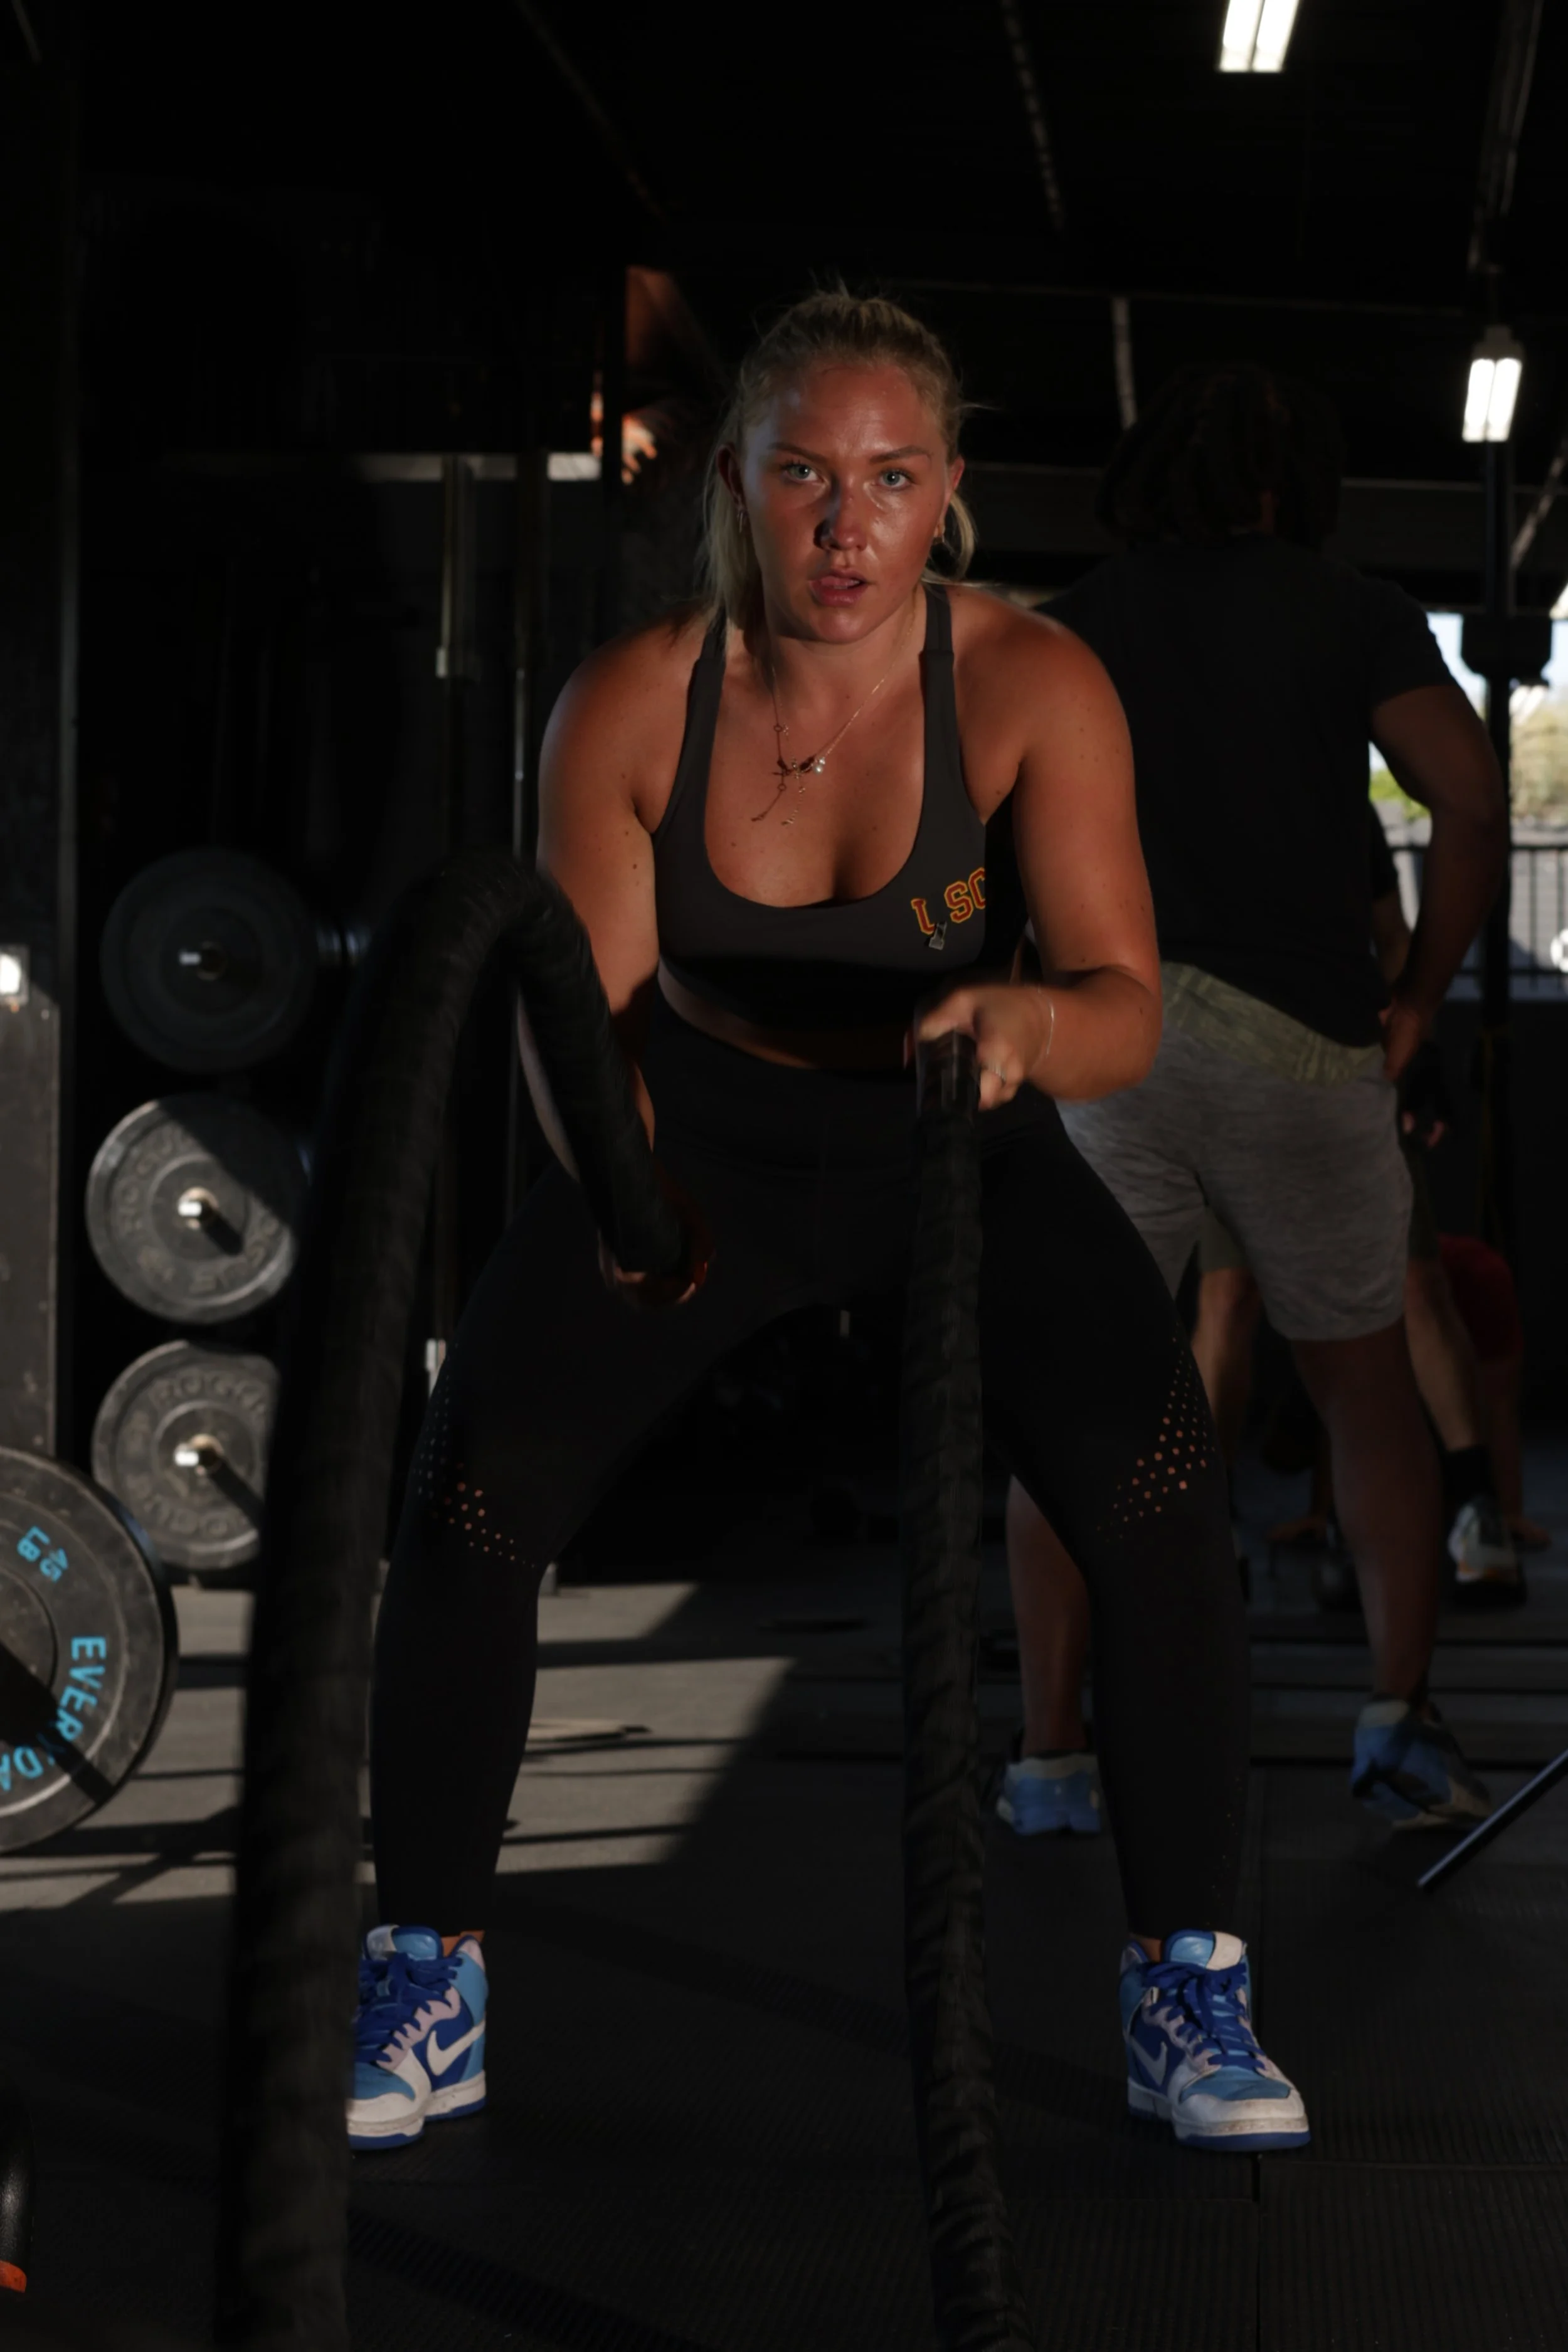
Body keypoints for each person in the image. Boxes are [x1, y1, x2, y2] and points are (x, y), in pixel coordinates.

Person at [346, 294, 1308, 2160]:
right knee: (468, 1490)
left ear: (943, 491)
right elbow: (585, 1021)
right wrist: (626, 1207)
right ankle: (426, 1965)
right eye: (804, 476)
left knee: (1163, 1490)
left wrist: (1029, 1019)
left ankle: (1186, 1974)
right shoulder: (633, 696)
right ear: (737, 483)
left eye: (887, 479)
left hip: (962, 1132)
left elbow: (1121, 996)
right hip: (695, 1136)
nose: (844, 526)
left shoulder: (1032, 681)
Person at [997, 364, 1508, 1840]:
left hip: (1117, 1037)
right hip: (1300, 1047)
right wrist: (1417, 1000)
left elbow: (982, 828)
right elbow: (1469, 803)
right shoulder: (1347, 608)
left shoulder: (1074, 620)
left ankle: (1046, 1760)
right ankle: (1393, 1725)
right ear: (1293, 488)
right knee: (1362, 1397)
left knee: (1079, 1404)